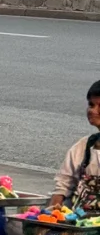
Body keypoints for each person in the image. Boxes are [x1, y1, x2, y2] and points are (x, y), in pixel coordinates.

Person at [51, 81, 100, 209]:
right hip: (80, 218)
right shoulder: (84, 146)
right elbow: (63, 184)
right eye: (91, 105)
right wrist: (53, 213)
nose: (93, 110)